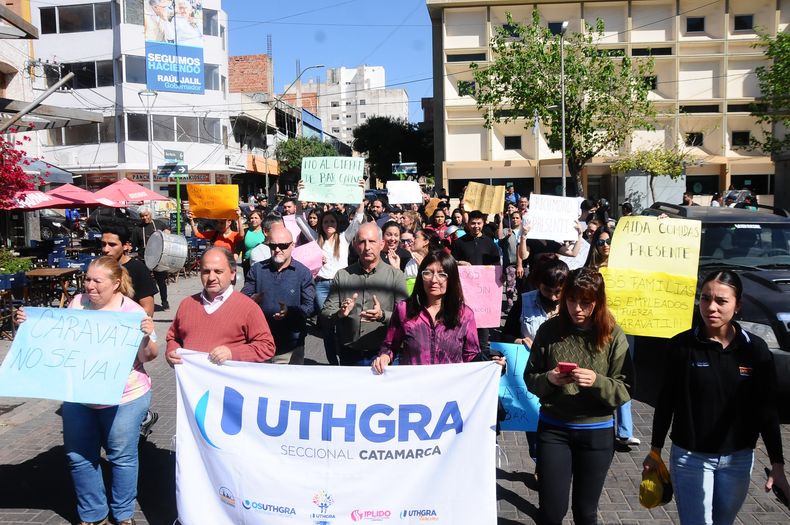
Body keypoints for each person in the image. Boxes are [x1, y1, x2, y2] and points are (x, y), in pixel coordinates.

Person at [16, 256, 158, 525]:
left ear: (116, 284)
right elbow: (58, 338)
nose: (89, 285)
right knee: (78, 455)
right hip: (80, 394)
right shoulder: (77, 303)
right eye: (87, 279)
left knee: (121, 456)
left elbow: (149, 356)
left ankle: (123, 513)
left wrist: (146, 336)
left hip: (125, 397)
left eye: (96, 281)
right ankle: (93, 514)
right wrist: (29, 324)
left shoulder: (133, 312)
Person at [644, 270, 790, 525]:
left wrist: (777, 464)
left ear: (738, 305)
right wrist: (655, 450)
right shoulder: (682, 346)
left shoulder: (755, 349)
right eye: (705, 298)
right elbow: (666, 401)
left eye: (721, 301)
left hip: (738, 458)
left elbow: (767, 409)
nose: (711, 307)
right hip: (690, 458)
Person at [524, 267, 632, 525]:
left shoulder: (613, 334)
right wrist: (549, 379)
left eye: (585, 302)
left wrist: (597, 382)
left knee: (585, 512)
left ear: (598, 301)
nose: (577, 308)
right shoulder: (549, 330)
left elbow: (624, 390)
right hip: (554, 429)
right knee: (551, 511)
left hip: (596, 432)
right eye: (571, 300)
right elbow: (530, 378)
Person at [372, 250, 506, 372]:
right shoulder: (404, 309)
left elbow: (471, 356)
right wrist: (385, 357)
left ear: (451, 279)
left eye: (442, 274)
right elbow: (390, 345)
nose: (434, 280)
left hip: (450, 391)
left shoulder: (464, 315)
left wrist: (492, 363)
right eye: (428, 273)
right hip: (413, 390)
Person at [503, 254, 570, 465]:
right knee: (534, 423)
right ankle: (539, 462)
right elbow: (504, 334)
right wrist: (518, 339)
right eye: (547, 291)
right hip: (532, 375)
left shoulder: (573, 303)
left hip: (564, 375)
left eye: (558, 292)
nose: (552, 297)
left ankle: (554, 463)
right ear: (539, 284)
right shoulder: (525, 301)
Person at [166, 247, 276, 366]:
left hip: (228, 383)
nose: (211, 278)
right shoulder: (187, 304)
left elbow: (267, 347)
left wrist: (232, 353)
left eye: (218, 272)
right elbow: (173, 338)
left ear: (232, 274)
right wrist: (171, 351)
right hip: (193, 382)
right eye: (206, 272)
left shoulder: (248, 308)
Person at [320, 222, 408, 366]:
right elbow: (325, 314)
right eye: (362, 242)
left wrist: (382, 315)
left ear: (381, 244)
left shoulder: (395, 276)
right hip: (350, 354)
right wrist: (340, 313)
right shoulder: (342, 276)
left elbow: (406, 318)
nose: (367, 247)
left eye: (372, 242)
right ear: (355, 245)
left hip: (384, 355)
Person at [241, 225, 315, 364]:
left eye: (283, 246)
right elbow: (244, 298)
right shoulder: (257, 270)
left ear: (292, 245)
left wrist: (290, 311)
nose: (277, 250)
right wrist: (251, 301)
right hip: (260, 341)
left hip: (291, 344)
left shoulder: (303, 273)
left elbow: (309, 307)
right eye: (273, 246)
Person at [101, 225, 157, 318]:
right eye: (103, 244)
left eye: (112, 245)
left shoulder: (138, 269)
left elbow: (148, 310)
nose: (106, 249)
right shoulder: (99, 267)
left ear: (126, 246)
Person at [131, 207, 170, 311]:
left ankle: (165, 302)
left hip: (158, 257)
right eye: (142, 216)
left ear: (150, 214)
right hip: (143, 258)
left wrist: (167, 232)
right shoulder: (137, 228)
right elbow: (133, 245)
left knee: (161, 281)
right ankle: (142, 302)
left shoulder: (159, 224)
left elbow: (168, 233)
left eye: (146, 215)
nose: (144, 218)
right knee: (143, 282)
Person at [240, 210, 265, 277]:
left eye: (256, 218)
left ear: (261, 219)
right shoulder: (245, 232)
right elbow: (239, 246)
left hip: (262, 263)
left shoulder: (265, 232)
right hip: (247, 263)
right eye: (251, 218)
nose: (253, 220)